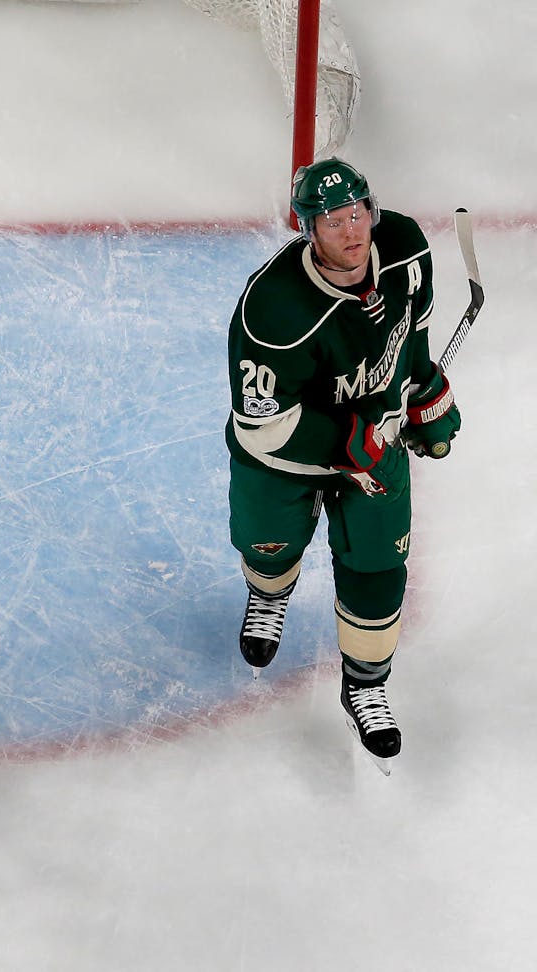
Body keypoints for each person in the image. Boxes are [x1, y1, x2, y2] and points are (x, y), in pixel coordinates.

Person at [224, 158, 461, 771]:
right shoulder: (273, 310)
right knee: (267, 542)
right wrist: (343, 442)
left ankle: (365, 684)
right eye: (332, 220)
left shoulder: (405, 250)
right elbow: (264, 423)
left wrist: (424, 394)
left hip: (375, 443)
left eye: (357, 213)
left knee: (380, 564)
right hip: (285, 454)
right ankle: (269, 594)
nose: (351, 231)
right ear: (308, 230)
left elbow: (411, 341)